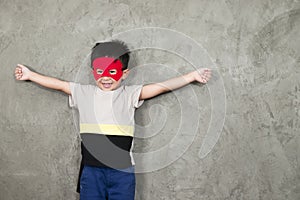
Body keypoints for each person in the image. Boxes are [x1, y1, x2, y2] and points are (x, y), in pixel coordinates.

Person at [14, 40, 211, 200]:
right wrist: (30, 75)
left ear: (124, 74)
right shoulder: (83, 92)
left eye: (112, 71)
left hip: (122, 173)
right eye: (100, 72)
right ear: (93, 71)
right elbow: (58, 84)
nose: (105, 77)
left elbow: (160, 87)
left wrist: (192, 76)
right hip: (92, 172)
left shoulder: (130, 94)